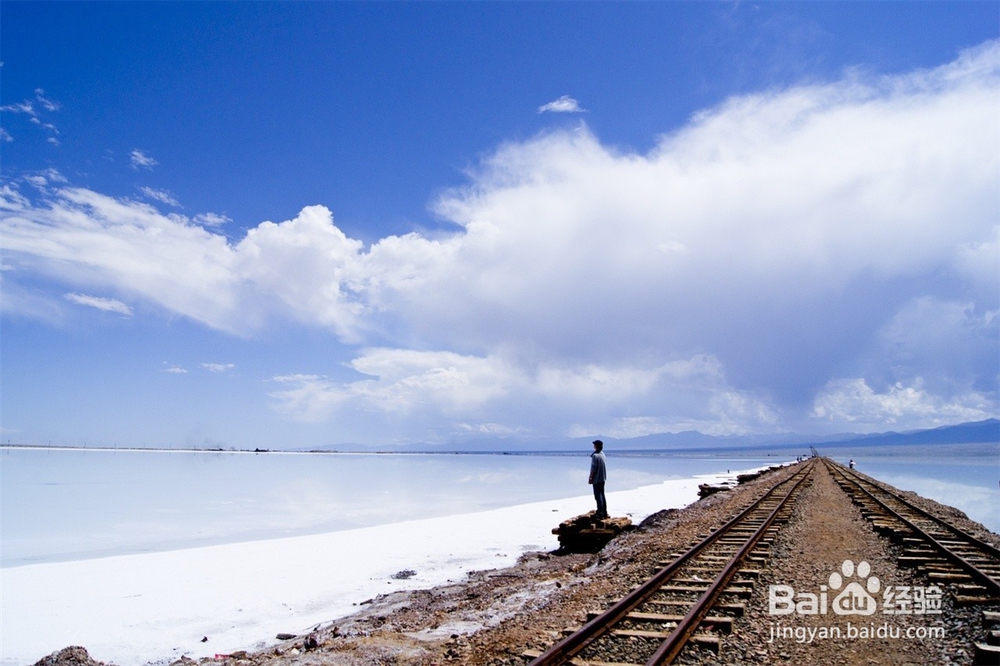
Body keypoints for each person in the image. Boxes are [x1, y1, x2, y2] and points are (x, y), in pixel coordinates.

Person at [589, 439, 608, 519]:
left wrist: (590, 477)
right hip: (603, 478)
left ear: (596, 446)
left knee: (598, 496)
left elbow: (594, 468)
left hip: (597, 479)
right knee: (602, 495)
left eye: (594, 445)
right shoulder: (602, 454)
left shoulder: (595, 456)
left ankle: (600, 513)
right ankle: (604, 512)